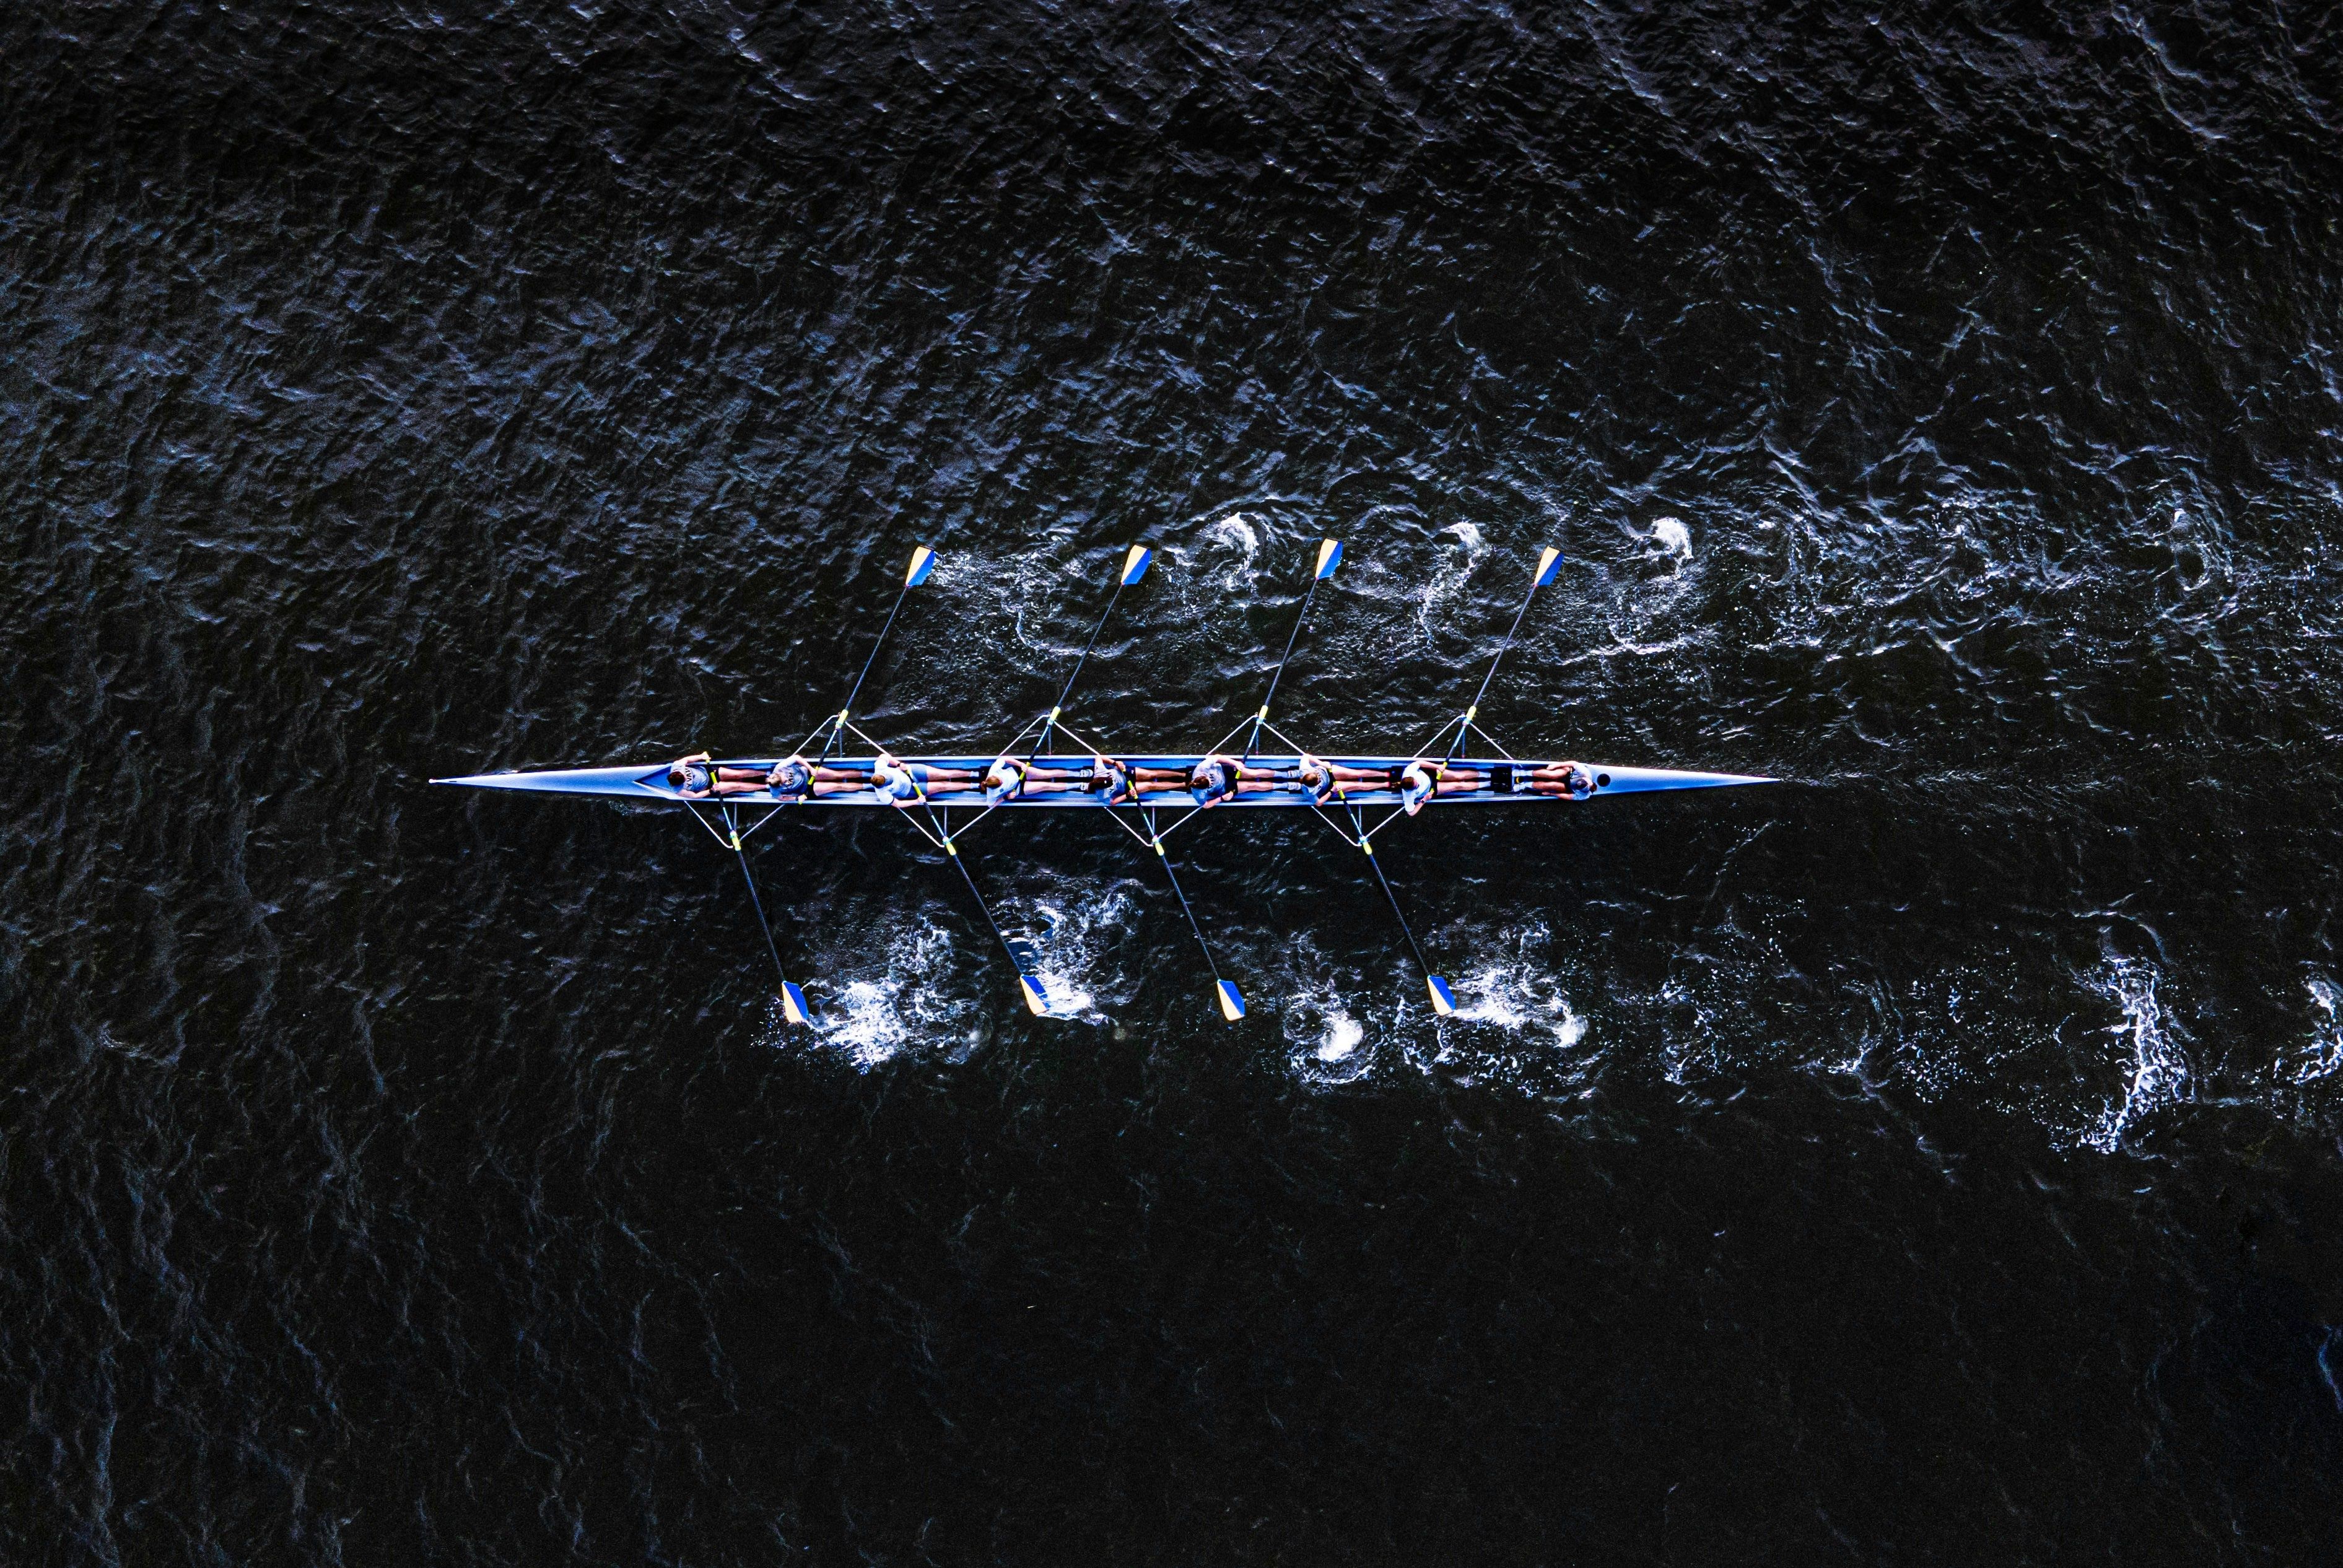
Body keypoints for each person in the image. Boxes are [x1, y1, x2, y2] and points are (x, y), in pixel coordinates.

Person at [1131, 752, 1278, 807]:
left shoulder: (1202, 769)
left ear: (1204, 776)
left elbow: (1217, 757)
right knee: (1252, 786)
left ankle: (1284, 775)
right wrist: (1222, 798)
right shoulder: (1198, 795)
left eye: (1210, 780)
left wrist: (1235, 763)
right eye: (1210, 785)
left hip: (1226, 771)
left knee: (1253, 773)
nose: (1211, 782)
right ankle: (1284, 785)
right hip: (1226, 789)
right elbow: (1206, 805)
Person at [1395, 757, 1488, 816]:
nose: (1418, 783)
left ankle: (1488, 775)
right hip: (1431, 789)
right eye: (1417, 786)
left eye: (1416, 781)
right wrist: (1424, 799)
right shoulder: (1408, 797)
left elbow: (1420, 763)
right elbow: (1411, 812)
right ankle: (1488, 784)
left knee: (1459, 776)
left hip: (1430, 774)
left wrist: (1437, 766)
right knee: (1458, 785)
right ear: (1411, 789)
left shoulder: (1408, 771)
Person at [668, 752, 770, 799]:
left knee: (738, 774)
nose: (686, 776)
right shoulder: (679, 791)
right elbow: (695, 796)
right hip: (710, 787)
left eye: (684, 775)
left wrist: (701, 756)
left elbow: (687, 760)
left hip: (710, 773)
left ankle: (767, 773)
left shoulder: (677, 766)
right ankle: (766, 786)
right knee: (737, 785)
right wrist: (711, 791)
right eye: (685, 779)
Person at [1293, 753, 1385, 804]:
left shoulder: (1304, 770)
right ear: (1316, 785)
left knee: (1357, 774)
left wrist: (1322, 763)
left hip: (1328, 771)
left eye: (1318, 776)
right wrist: (1332, 791)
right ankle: (1387, 784)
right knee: (1358, 785)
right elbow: (1319, 803)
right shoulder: (1309, 793)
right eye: (1319, 780)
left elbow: (1306, 756)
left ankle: (1385, 774)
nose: (1320, 778)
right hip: (1331, 787)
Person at [1517, 760, 1596, 799]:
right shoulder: (1585, 772)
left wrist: (1551, 794)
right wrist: (1557, 765)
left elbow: (1568, 797)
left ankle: (1524, 785)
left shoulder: (1584, 795)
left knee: (1552, 785)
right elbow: (1574, 763)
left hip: (1569, 787)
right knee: (1552, 775)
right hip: (1568, 773)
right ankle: (1524, 773)